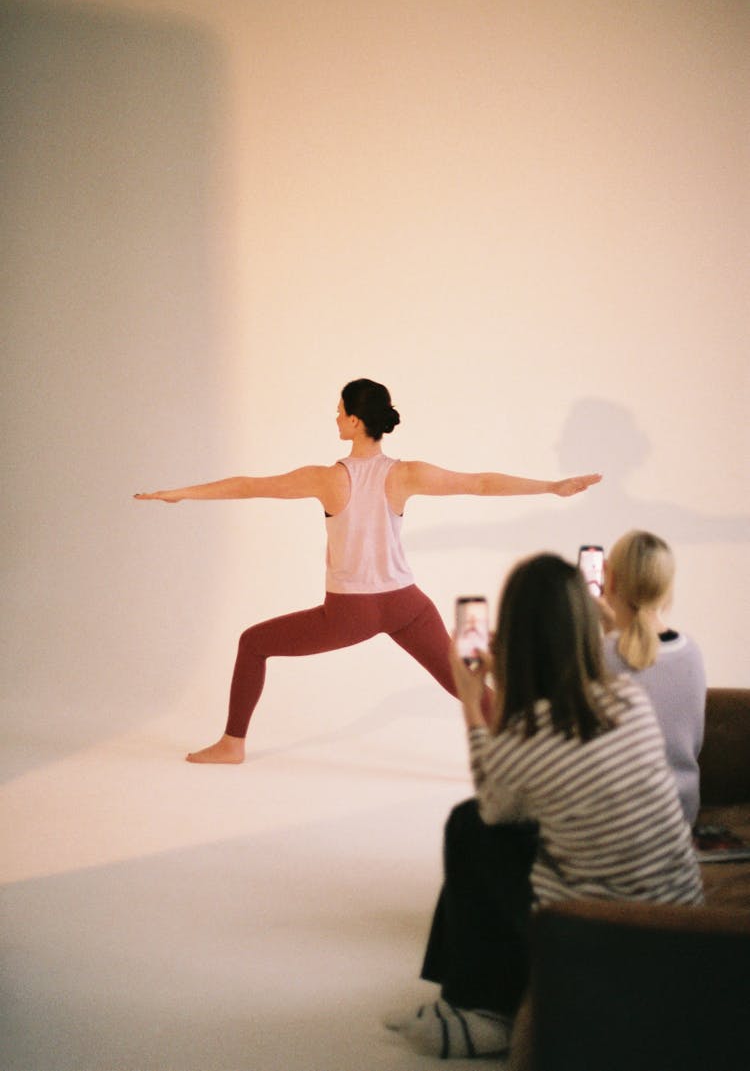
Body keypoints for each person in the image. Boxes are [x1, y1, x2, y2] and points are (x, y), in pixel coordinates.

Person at [135, 379, 601, 763]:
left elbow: (248, 487)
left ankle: (232, 744)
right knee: (465, 682)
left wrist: (181, 493)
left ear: (356, 422)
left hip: (350, 613)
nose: (335, 418)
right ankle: (540, 742)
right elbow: (479, 483)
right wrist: (552, 486)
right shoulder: (406, 473)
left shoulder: (327, 478)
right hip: (407, 605)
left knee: (252, 643)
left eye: (339, 411)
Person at [387, 553, 702, 1060]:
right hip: (680, 917)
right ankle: (463, 994)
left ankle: (482, 1009)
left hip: (595, 929)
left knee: (471, 825)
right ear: (586, 627)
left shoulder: (525, 737)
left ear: (510, 634)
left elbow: (495, 806)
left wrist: (472, 697)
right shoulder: (627, 696)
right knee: (486, 822)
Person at [599, 530, 706, 826]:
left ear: (611, 579)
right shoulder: (691, 653)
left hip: (617, 823)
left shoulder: (599, 656)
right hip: (681, 815)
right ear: (667, 586)